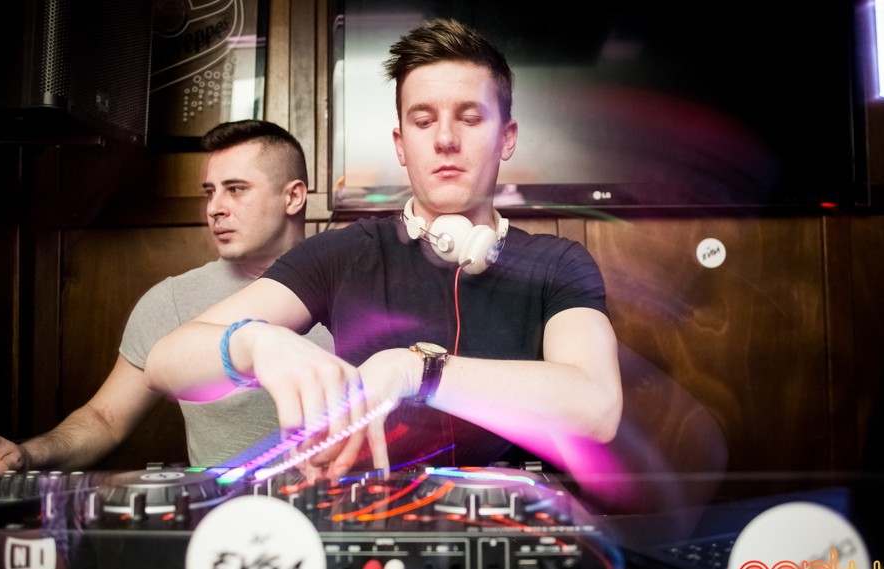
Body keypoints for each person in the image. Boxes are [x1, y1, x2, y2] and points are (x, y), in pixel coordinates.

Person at [144, 18, 622, 483]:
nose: (445, 139)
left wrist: (416, 369)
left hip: (516, 513)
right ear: (401, 144)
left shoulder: (559, 262)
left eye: (470, 118)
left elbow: (597, 409)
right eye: (423, 121)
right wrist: (255, 343)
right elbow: (165, 363)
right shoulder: (344, 253)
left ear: (507, 138)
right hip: (373, 513)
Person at [0, 120, 333, 473]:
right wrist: (26, 454)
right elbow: (105, 419)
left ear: (293, 197)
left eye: (236, 190)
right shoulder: (173, 300)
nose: (214, 208)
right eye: (210, 192)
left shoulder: (351, 282)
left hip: (340, 511)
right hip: (221, 519)